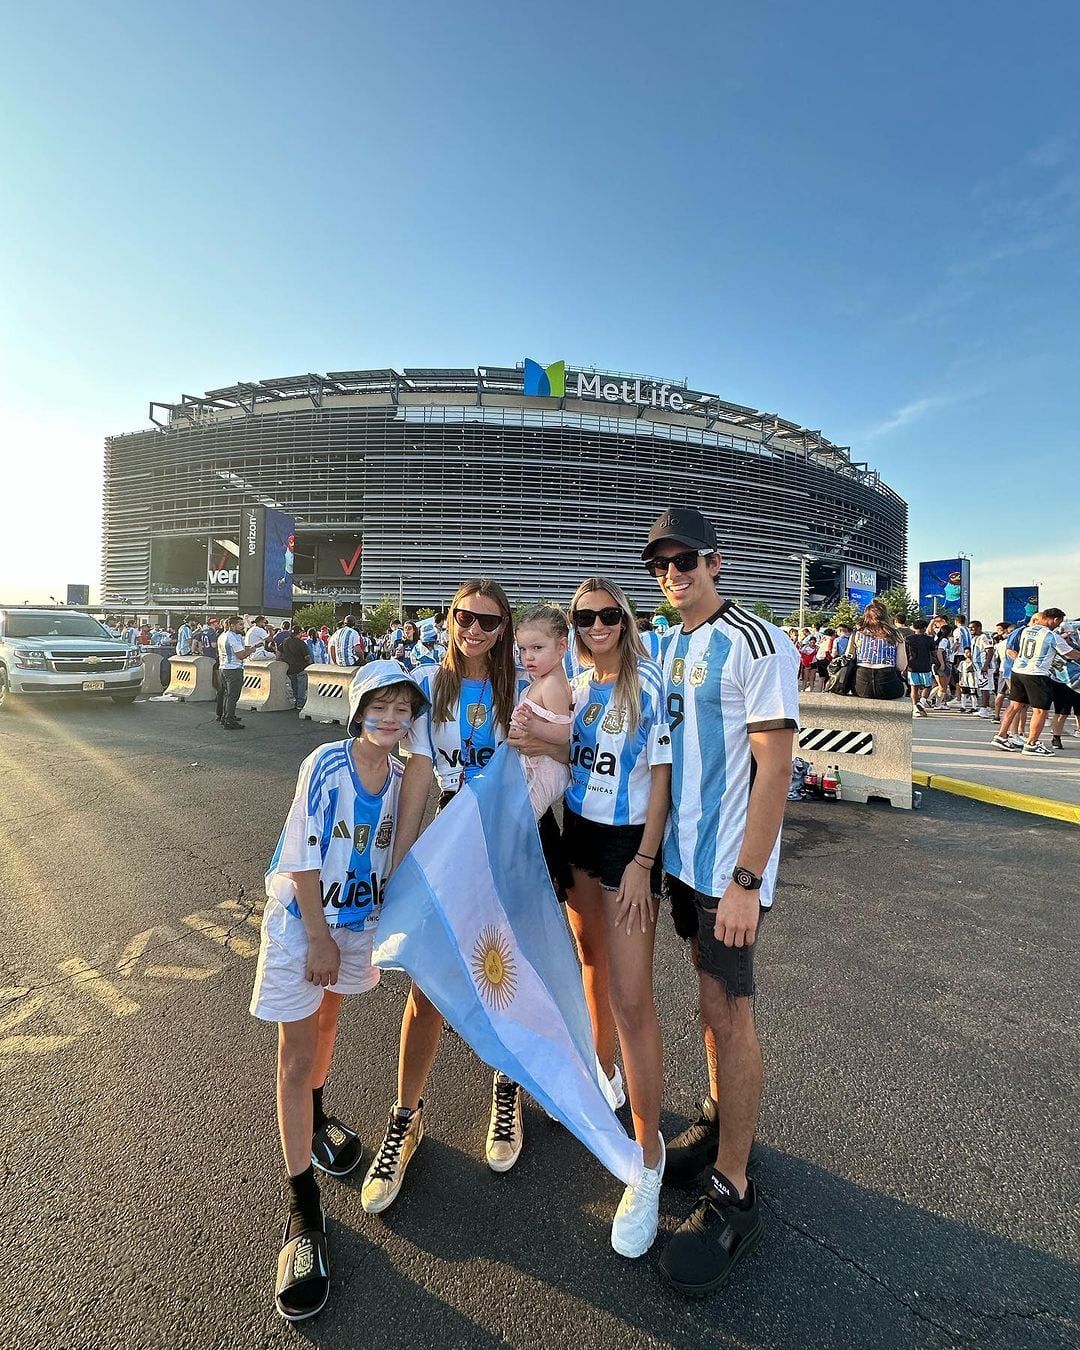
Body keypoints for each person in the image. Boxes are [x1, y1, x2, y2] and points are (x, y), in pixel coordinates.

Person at [640, 506, 799, 1297]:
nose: (673, 574)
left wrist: (745, 880)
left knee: (731, 1011)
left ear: (716, 562)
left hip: (729, 873)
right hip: (684, 863)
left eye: (685, 561)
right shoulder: (668, 647)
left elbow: (776, 771)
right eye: (660, 565)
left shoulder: (757, 642)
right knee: (708, 1001)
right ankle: (714, 1117)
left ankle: (736, 1188)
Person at [250, 661, 428, 1322]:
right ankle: (303, 1213)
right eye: (377, 706)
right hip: (307, 923)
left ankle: (319, 1118)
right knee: (295, 1058)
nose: (389, 718)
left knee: (327, 1026)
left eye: (401, 708)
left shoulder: (408, 777)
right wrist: (319, 936)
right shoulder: (326, 764)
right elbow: (300, 853)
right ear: (356, 710)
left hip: (357, 926)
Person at [362, 580, 543, 1212]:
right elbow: (415, 778)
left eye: (489, 623)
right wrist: (401, 861)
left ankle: (506, 1087)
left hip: (507, 854)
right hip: (446, 853)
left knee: (504, 977)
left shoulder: (518, 687)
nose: (474, 630)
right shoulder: (425, 688)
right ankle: (405, 1118)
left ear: (503, 630)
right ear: (449, 618)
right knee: (428, 989)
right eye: (465, 617)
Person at [555, 577, 672, 1259]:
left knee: (633, 1000)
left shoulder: (647, 682)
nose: (597, 626)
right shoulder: (573, 681)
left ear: (625, 621)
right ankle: (606, 1076)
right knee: (590, 961)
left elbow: (658, 777)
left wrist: (644, 861)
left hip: (628, 843)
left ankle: (647, 1158)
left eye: (608, 616)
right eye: (585, 617)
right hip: (579, 835)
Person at [509, 604, 573, 818]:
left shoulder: (552, 684)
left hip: (545, 769)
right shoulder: (541, 680)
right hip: (533, 766)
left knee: (523, 821)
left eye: (537, 648)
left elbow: (563, 733)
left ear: (561, 647)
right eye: (522, 649)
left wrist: (532, 726)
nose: (528, 657)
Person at [995, 609, 1080, 755]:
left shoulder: (1027, 631)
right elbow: (1070, 654)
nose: (1058, 626)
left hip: (1018, 670)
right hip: (1036, 674)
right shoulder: (1051, 635)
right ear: (1053, 619)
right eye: (1058, 622)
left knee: (1014, 705)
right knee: (1040, 710)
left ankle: (1001, 736)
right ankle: (1032, 744)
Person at [850, 600, 907, 699]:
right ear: (885, 616)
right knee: (904, 688)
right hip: (887, 685)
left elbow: (849, 656)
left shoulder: (858, 633)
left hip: (860, 685)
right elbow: (901, 666)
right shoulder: (896, 635)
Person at [217, 616, 255, 730]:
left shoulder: (223, 636)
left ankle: (226, 717)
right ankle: (229, 720)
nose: (242, 627)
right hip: (233, 669)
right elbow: (240, 655)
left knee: (227, 695)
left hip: (223, 668)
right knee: (233, 696)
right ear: (232, 625)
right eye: (240, 624)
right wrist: (251, 650)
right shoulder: (232, 637)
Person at [905, 619, 936, 716]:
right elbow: (933, 653)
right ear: (924, 628)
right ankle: (921, 702)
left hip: (912, 666)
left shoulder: (908, 639)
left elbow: (905, 653)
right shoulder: (929, 639)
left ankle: (915, 708)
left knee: (914, 688)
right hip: (925, 665)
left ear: (914, 627)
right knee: (928, 686)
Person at [280, 625, 314, 709]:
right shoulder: (301, 643)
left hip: (290, 668)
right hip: (301, 667)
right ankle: (300, 703)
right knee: (302, 686)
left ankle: (295, 701)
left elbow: (279, 650)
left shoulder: (285, 641)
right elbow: (307, 656)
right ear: (299, 633)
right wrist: (310, 663)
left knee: (294, 685)